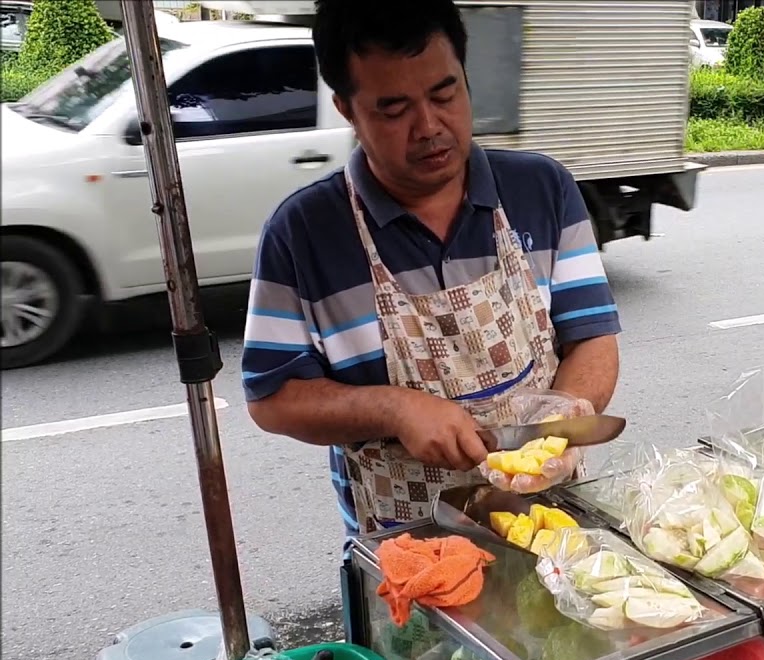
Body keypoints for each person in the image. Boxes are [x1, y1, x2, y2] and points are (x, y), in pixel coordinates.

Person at [241, 0, 622, 537]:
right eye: (393, 110)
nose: (428, 127)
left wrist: (558, 420)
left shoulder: (542, 190)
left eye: (445, 94)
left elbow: (593, 338)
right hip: (405, 544)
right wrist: (394, 409)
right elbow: (273, 398)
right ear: (347, 109)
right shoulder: (303, 232)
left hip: (550, 523)